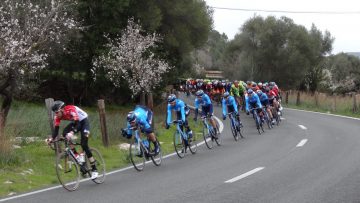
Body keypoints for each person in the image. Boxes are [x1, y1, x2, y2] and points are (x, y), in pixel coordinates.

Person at [48, 100, 98, 179]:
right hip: (75, 122)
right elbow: (56, 130)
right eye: (55, 113)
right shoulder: (57, 117)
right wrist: (51, 139)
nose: (56, 114)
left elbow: (78, 124)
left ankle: (94, 169)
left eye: (57, 112)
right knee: (65, 133)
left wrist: (72, 132)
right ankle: (77, 155)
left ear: (62, 109)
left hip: (84, 121)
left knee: (84, 144)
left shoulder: (71, 109)